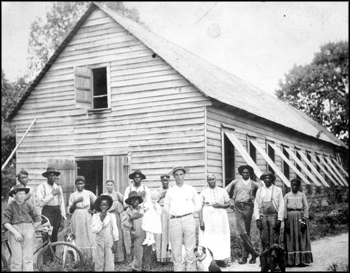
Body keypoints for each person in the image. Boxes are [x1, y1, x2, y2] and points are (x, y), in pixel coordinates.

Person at [163, 165, 202, 271]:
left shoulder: (191, 189)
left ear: (184, 175)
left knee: (190, 247)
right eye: (176, 175)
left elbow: (198, 204)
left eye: (181, 174)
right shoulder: (170, 191)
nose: (179, 177)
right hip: (174, 220)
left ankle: (191, 269)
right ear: (174, 177)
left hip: (188, 219)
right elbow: (166, 207)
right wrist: (175, 214)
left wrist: (189, 211)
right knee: (176, 248)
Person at [225, 165, 260, 264]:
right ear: (241, 173)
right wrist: (230, 201)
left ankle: (245, 257)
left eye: (247, 173)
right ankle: (254, 252)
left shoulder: (254, 184)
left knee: (247, 232)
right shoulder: (235, 182)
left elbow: (261, 194)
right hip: (237, 208)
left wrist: (255, 203)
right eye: (243, 172)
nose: (245, 174)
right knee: (242, 232)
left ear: (250, 174)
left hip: (248, 207)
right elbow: (224, 192)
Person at [2, 185, 42, 271]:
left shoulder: (29, 205)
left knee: (27, 258)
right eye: (19, 194)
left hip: (28, 230)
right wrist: (15, 233)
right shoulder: (10, 206)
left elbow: (38, 220)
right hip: (14, 230)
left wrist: (31, 230)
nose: (22, 196)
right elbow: (5, 222)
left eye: (24, 194)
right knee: (17, 259)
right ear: (14, 196)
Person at [199, 174, 231, 267]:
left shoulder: (222, 191)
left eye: (213, 179)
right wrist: (201, 221)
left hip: (220, 217)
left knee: (221, 237)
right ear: (207, 181)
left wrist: (220, 205)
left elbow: (228, 203)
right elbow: (199, 207)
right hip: (207, 217)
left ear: (215, 179)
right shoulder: (203, 192)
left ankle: (221, 259)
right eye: (209, 180)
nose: (211, 181)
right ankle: (210, 260)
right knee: (209, 237)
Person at [284, 178, 313, 266]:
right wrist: (286, 221)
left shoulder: (302, 195)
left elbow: (305, 208)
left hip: (300, 217)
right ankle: (290, 261)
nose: (294, 187)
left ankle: (301, 260)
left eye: (296, 185)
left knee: (301, 236)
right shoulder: (287, 196)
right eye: (293, 185)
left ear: (299, 186)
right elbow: (284, 209)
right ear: (290, 186)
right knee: (290, 237)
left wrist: (304, 220)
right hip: (290, 217)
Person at [254, 171, 284, 252]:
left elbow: (281, 205)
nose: (267, 180)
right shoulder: (260, 190)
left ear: (272, 179)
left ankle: (274, 259)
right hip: (263, 217)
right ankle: (266, 260)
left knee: (274, 239)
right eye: (265, 178)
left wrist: (280, 219)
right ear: (263, 180)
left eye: (269, 178)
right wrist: (257, 219)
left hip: (274, 217)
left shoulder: (278, 190)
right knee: (264, 238)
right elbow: (256, 205)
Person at [123, 169, 151, 255]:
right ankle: (130, 252)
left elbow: (148, 201)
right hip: (131, 211)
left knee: (142, 233)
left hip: (142, 212)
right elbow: (125, 201)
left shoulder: (145, 188)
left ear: (141, 178)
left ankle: (143, 253)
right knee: (131, 232)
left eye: (139, 177)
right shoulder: (129, 188)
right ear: (133, 178)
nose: (137, 179)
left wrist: (142, 207)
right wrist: (131, 207)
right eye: (135, 177)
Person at [123, 191, 152, 272]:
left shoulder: (143, 208)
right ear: (130, 202)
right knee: (138, 254)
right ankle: (136, 267)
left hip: (147, 235)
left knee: (147, 253)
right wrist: (131, 218)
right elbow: (125, 225)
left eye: (136, 200)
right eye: (132, 200)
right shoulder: (128, 211)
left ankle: (145, 267)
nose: (135, 202)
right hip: (137, 236)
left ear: (139, 201)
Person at [68, 176, 97, 257]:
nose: (80, 185)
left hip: (87, 216)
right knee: (77, 235)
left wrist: (93, 211)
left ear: (84, 184)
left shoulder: (89, 193)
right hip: (76, 216)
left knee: (88, 234)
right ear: (75, 185)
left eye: (81, 183)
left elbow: (97, 202)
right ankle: (78, 256)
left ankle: (89, 256)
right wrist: (75, 202)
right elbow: (70, 210)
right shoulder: (73, 195)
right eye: (78, 184)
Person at [36, 167, 66, 244]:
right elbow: (41, 203)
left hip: (57, 211)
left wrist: (62, 217)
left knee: (54, 234)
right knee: (47, 233)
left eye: (54, 175)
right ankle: (46, 255)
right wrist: (52, 195)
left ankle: (53, 254)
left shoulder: (58, 187)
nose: (53, 177)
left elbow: (61, 202)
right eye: (51, 175)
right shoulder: (41, 187)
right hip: (47, 211)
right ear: (47, 176)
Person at [91, 195, 119, 271]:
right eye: (101, 204)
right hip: (98, 241)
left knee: (109, 260)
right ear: (99, 206)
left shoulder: (111, 216)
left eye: (105, 205)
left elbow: (115, 229)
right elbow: (95, 230)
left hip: (109, 240)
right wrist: (101, 220)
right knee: (99, 260)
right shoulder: (95, 216)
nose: (103, 207)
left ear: (108, 206)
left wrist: (115, 242)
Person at [102, 179, 125, 262]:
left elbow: (125, 202)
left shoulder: (117, 194)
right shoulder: (103, 195)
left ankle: (118, 258)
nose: (109, 186)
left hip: (115, 215)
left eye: (111, 185)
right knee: (108, 234)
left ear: (113, 186)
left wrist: (121, 209)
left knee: (117, 234)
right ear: (105, 186)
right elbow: (99, 205)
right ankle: (108, 257)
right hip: (106, 216)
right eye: (108, 185)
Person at [155, 174, 172, 263]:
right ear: (161, 181)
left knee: (168, 233)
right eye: (163, 180)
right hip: (160, 212)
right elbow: (153, 201)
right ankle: (160, 257)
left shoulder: (172, 190)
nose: (165, 182)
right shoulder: (157, 190)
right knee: (160, 234)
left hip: (170, 212)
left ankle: (168, 256)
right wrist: (160, 196)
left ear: (169, 181)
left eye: (167, 180)